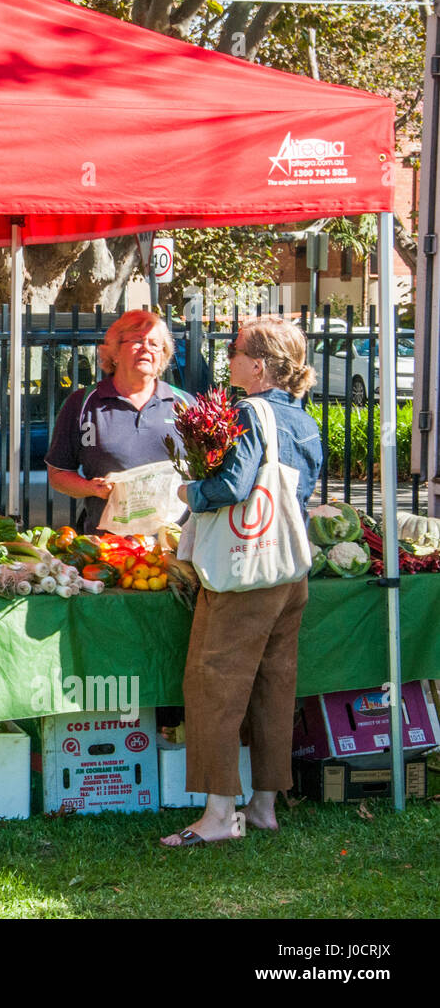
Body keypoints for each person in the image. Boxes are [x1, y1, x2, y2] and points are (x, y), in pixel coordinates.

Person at [160, 315, 323, 847]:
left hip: (245, 571)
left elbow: (233, 485)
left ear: (257, 364)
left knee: (213, 685)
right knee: (274, 687)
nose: (226, 360)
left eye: (233, 351)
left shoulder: (250, 412)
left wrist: (190, 493)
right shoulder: (303, 419)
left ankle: (217, 815)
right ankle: (263, 806)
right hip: (288, 571)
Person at [45, 310, 193, 529]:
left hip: (173, 544)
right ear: (114, 352)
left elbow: (207, 473)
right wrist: (90, 488)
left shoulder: (185, 404)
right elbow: (58, 473)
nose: (146, 348)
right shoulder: (83, 403)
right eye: (137, 341)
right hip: (109, 547)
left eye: (154, 344)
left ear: (163, 356)